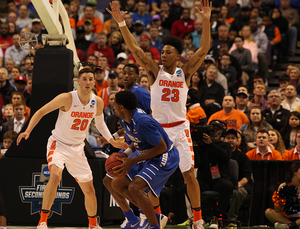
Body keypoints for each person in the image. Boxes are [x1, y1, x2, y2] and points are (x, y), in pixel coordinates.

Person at [107, 0, 211, 228]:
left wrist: (206, 19)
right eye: (162, 52)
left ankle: (198, 219)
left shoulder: (185, 72)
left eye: (168, 53)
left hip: (181, 128)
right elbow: (135, 49)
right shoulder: (155, 71)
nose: (163, 55)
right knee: (150, 178)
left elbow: (203, 50)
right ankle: (157, 216)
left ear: (177, 56)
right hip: (158, 129)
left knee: (189, 175)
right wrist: (122, 23)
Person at [16, 68, 128, 229]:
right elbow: (41, 111)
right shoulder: (67, 98)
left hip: (78, 148)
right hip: (59, 144)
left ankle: (92, 225)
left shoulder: (97, 101)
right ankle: (42, 221)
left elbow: (101, 123)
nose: (88, 82)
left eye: (91, 79)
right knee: (55, 177)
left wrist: (112, 141)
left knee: (90, 190)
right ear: (79, 81)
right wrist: (27, 131)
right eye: (85, 79)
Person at [111, 90, 180, 229]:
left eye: (115, 105)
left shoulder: (142, 122)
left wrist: (132, 161)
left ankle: (154, 226)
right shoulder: (125, 120)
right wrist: (126, 154)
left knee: (135, 187)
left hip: (165, 156)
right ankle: (154, 217)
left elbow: (161, 147)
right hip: (148, 154)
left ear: (122, 108)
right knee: (116, 184)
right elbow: (136, 142)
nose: (113, 108)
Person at [196, 120, 233, 222]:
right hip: (204, 178)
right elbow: (197, 163)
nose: (215, 132)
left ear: (222, 132)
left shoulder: (226, 145)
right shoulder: (201, 146)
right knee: (188, 187)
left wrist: (211, 144)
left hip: (219, 179)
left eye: (218, 130)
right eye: (212, 129)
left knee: (227, 186)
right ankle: (198, 215)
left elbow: (225, 157)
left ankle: (217, 216)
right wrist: (196, 145)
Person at [224, 128, 252, 221]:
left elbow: (247, 176)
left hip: (238, 185)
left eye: (233, 138)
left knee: (240, 192)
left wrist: (238, 184)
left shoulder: (243, 156)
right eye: (228, 138)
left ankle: (231, 218)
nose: (230, 140)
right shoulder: (218, 154)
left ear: (237, 141)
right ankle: (211, 218)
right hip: (221, 184)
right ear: (223, 140)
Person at [265, 162, 300, 228]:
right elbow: (277, 209)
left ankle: (291, 225)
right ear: (295, 172)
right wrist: (280, 203)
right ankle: (291, 225)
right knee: (268, 212)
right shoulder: (283, 186)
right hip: (286, 218)